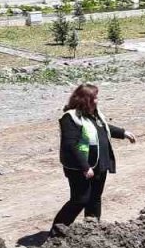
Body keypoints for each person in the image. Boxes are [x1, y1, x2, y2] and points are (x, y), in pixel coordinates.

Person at [52, 83, 136, 231]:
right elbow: (70, 145)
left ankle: (92, 231)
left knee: (95, 198)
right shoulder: (70, 118)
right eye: (94, 97)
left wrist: (123, 133)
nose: (97, 100)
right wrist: (84, 167)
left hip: (99, 164)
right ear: (86, 99)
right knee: (80, 200)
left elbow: (103, 128)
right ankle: (57, 230)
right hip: (80, 167)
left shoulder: (94, 114)